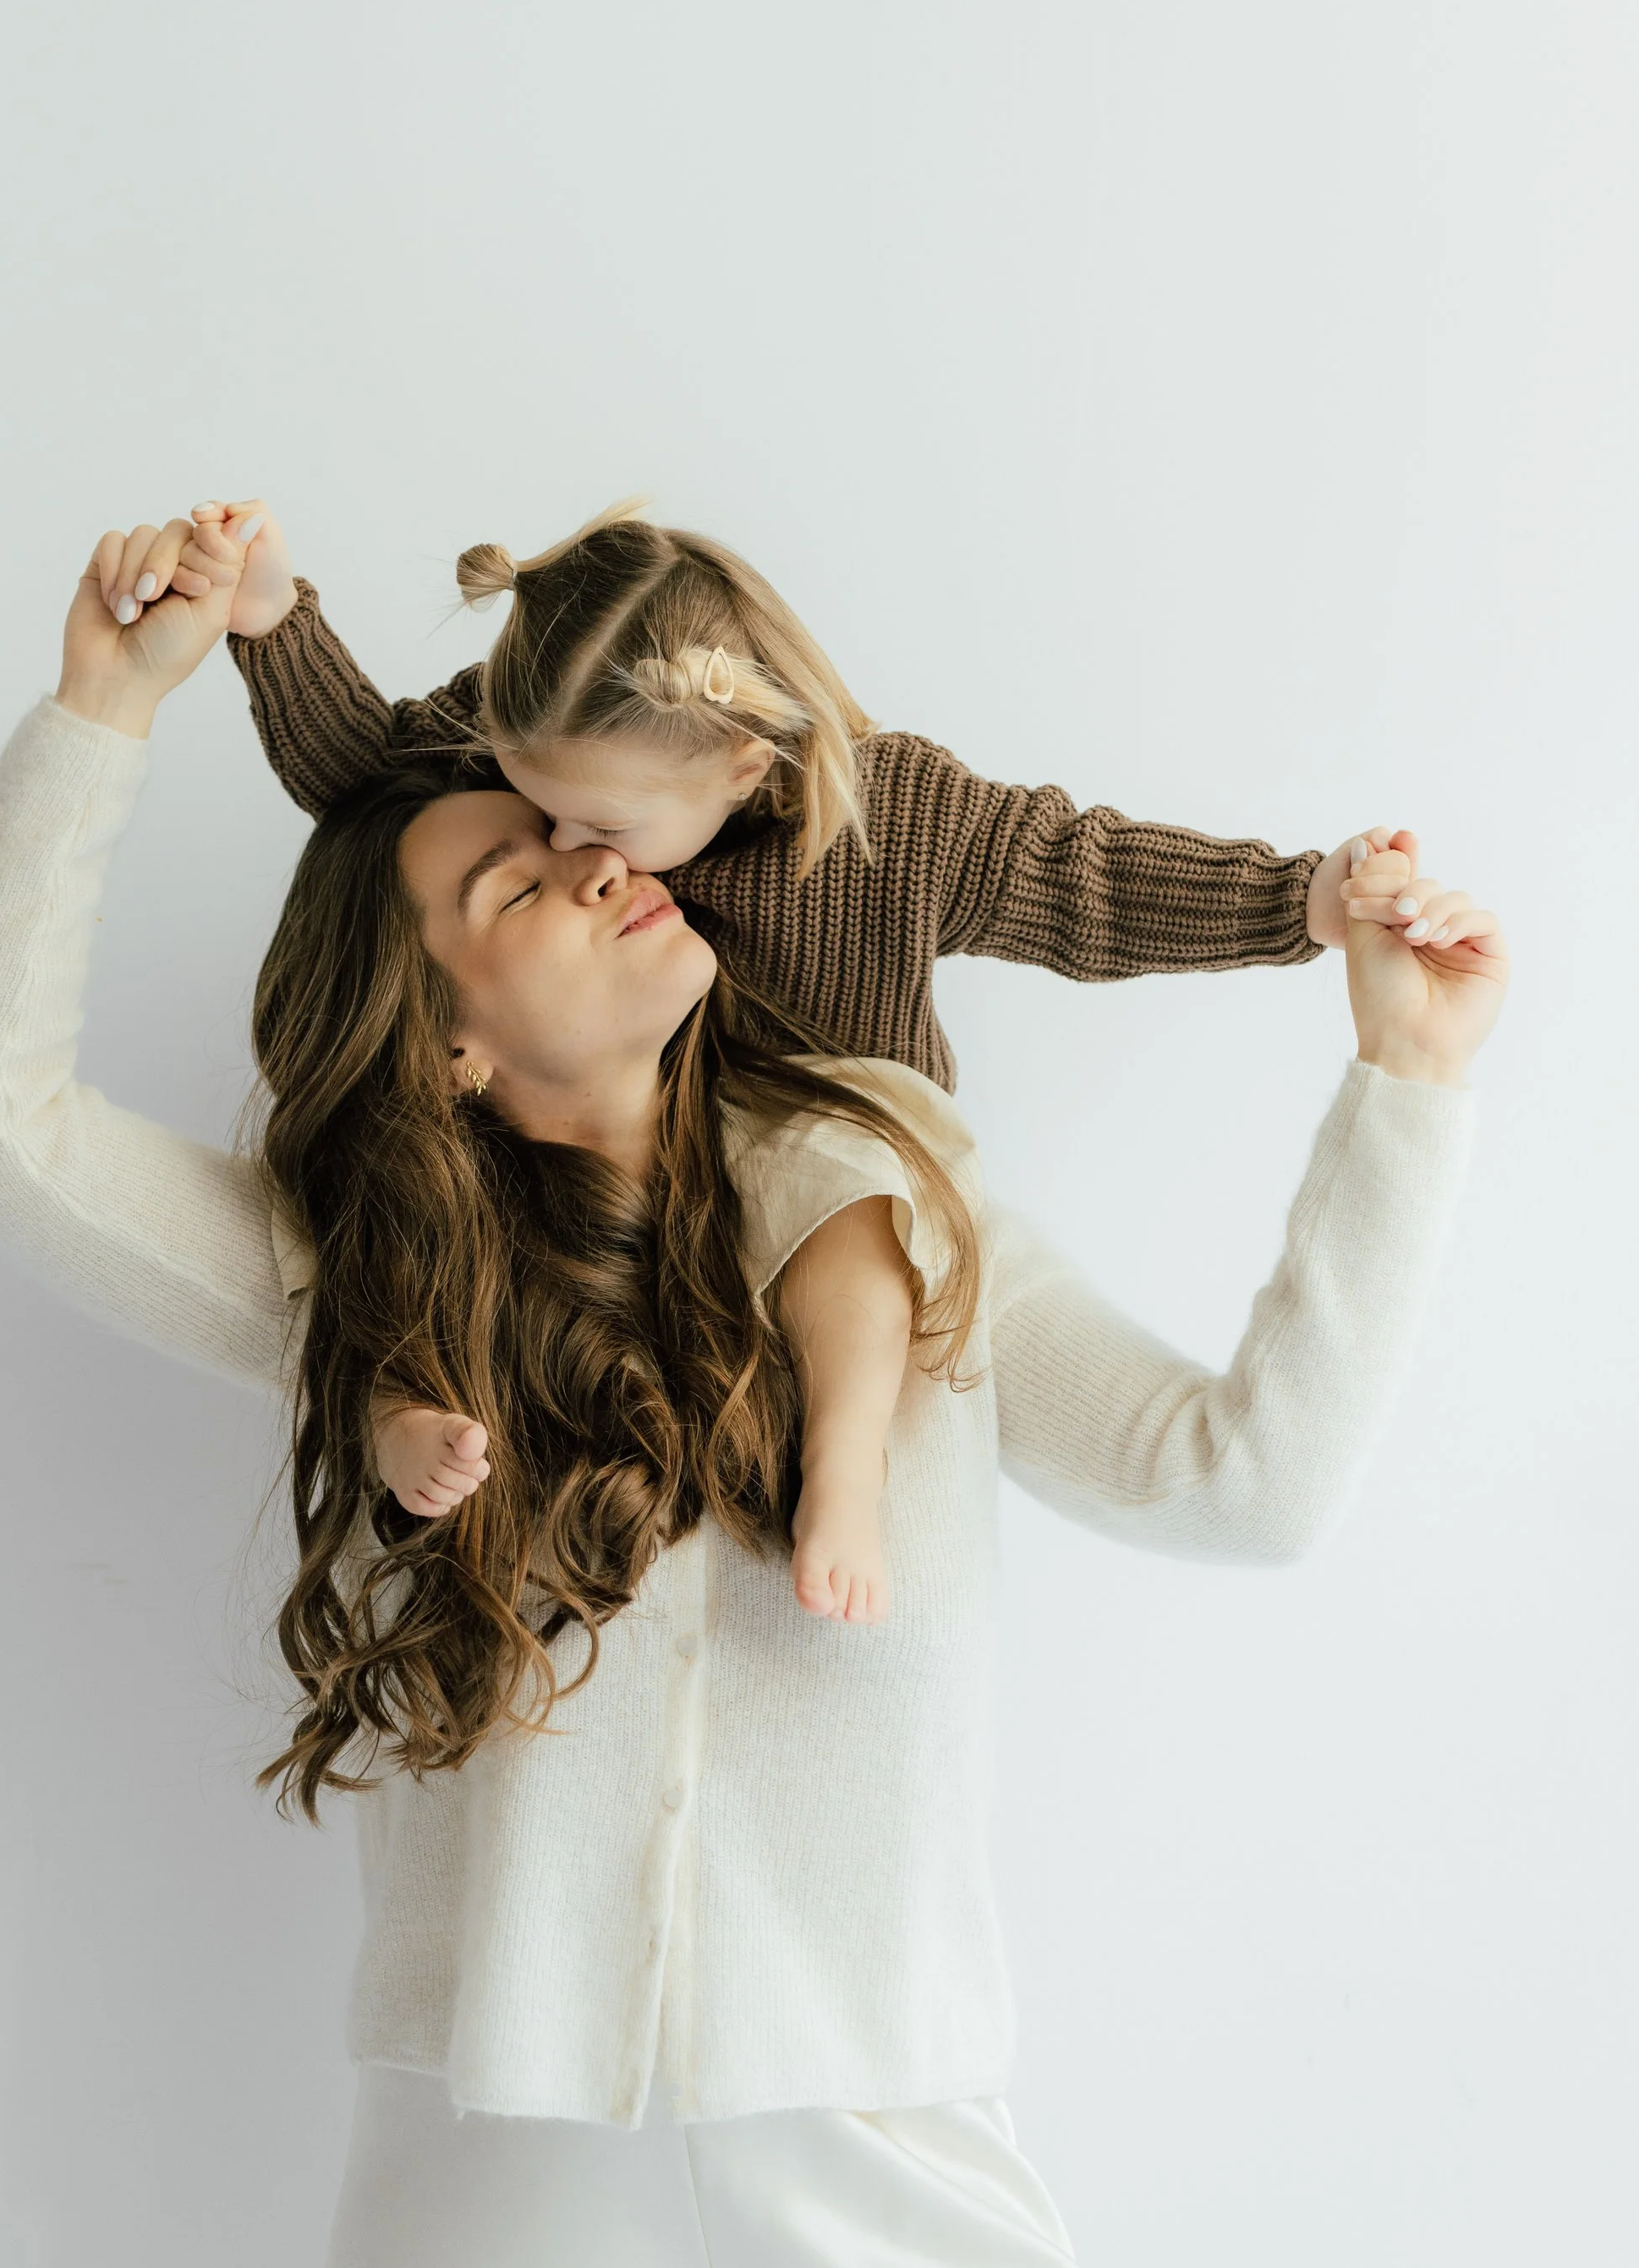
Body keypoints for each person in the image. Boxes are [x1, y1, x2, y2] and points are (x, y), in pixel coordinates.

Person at [0, 512, 1503, 2268]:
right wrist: (104, 715)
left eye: (575, 828)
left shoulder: (900, 1202)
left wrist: (1405, 1092)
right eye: (513, 876)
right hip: (504, 2152)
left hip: (873, 2130)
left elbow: (1231, 1481)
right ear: (444, 1021)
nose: (595, 862)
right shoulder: (358, 1287)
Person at [160, 492, 1440, 1619]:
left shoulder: (900, 827)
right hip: (668, 1165)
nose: (575, 846)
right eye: (535, 828)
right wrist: (270, 620)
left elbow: (1082, 883)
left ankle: (847, 1469)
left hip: (853, 1147)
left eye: (599, 826)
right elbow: (374, 783)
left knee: (840, 1169)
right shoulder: (556, 740)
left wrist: (1304, 905)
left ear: (741, 761)